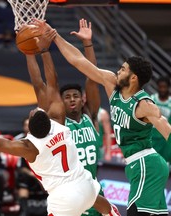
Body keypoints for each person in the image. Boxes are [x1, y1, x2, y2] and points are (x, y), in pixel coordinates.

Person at [0, 30, 119, 216]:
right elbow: (51, 83)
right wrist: (44, 51)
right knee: (106, 207)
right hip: (85, 184)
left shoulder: (29, 146)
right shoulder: (60, 124)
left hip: (65, 196)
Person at [33, 19, 171, 215]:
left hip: (147, 164)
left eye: (123, 69)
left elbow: (166, 128)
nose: (118, 70)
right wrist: (54, 36)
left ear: (133, 78)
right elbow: (78, 61)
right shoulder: (111, 83)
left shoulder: (144, 105)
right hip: (136, 166)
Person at [59, 18, 108, 216]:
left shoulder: (91, 116)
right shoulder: (60, 123)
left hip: (94, 188)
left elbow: (93, 77)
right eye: (67, 97)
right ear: (61, 102)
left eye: (76, 96)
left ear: (82, 100)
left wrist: (87, 44)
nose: (72, 100)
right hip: (70, 192)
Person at [150, 76, 171, 165]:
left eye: (164, 87)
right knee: (151, 163)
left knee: (164, 164)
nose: (162, 89)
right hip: (152, 136)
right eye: (160, 87)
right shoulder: (152, 99)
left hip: (165, 139)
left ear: (168, 88)